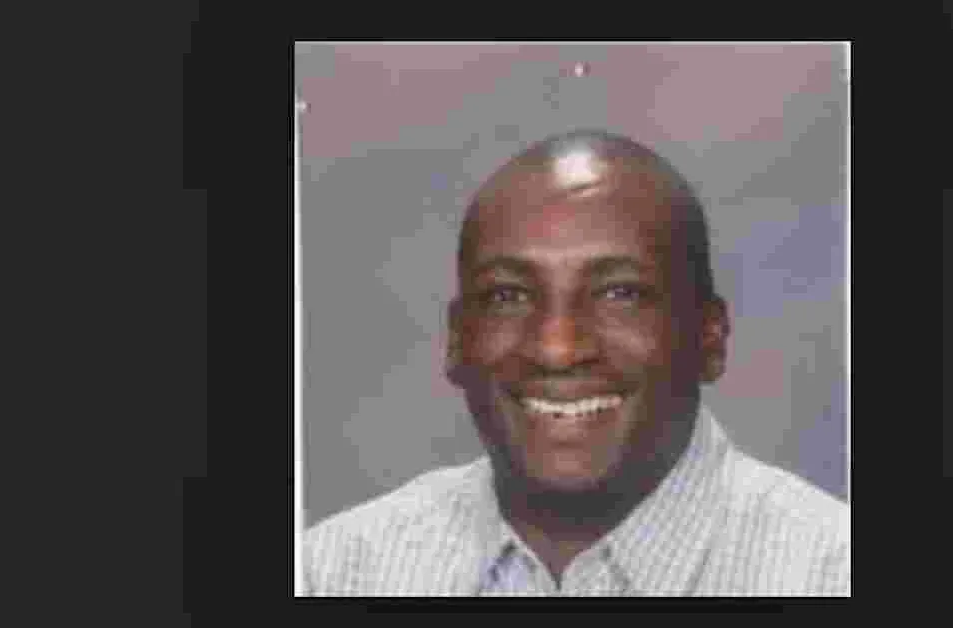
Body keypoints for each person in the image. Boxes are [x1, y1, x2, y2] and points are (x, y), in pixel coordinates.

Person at [302, 129, 849, 596]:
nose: (557, 349)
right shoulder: (334, 574)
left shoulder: (829, 574)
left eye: (620, 294)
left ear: (711, 337)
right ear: (456, 340)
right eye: (508, 296)